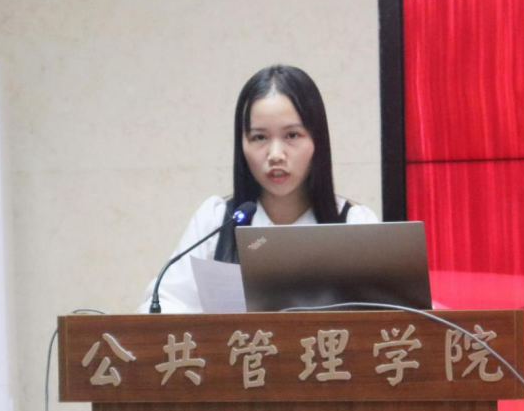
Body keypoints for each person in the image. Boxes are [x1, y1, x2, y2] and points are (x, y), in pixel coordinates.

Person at [137, 65, 378, 313]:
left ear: (317, 139)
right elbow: (163, 304)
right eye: (260, 137)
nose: (275, 155)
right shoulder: (217, 221)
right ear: (242, 144)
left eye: (292, 135)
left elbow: (388, 317)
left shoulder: (355, 224)